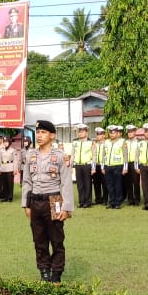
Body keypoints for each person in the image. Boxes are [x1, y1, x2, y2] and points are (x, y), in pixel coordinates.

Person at [21, 120, 73, 283]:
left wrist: (66, 207)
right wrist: (26, 204)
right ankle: (44, 271)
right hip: (35, 200)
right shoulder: (31, 155)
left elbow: (66, 182)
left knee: (57, 239)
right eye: (38, 132)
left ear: (52, 136)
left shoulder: (60, 156)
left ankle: (56, 273)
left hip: (54, 200)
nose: (40, 135)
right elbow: (27, 181)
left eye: (43, 132)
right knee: (39, 240)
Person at [70, 124, 94, 208]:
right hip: (78, 165)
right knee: (79, 184)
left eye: (82, 131)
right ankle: (81, 201)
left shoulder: (91, 142)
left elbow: (94, 155)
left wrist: (93, 167)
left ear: (86, 133)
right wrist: (70, 166)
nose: (80, 133)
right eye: (79, 132)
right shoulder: (75, 142)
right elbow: (72, 154)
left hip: (87, 165)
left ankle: (88, 201)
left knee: (87, 184)